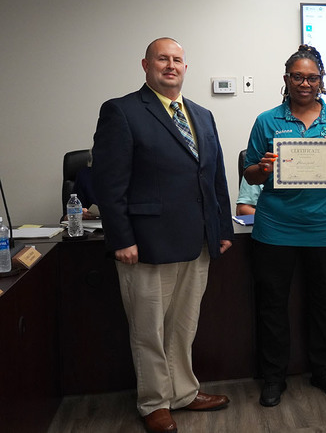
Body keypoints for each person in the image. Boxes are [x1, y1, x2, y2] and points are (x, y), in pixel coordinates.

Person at [92, 37, 234, 433]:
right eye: (162, 59)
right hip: (147, 243)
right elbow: (109, 183)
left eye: (177, 60)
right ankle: (154, 401)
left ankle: (184, 392)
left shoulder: (202, 114)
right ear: (145, 65)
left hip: (198, 241)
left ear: (185, 67)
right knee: (149, 328)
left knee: (184, 325)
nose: (170, 65)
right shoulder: (121, 111)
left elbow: (214, 176)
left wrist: (221, 227)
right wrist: (120, 238)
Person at [243, 44, 326, 407]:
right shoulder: (267, 120)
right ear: (286, 80)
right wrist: (263, 167)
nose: (305, 83)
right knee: (272, 305)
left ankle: (323, 370)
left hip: (325, 227)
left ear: (322, 81)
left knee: (324, 303)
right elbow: (250, 173)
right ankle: (274, 377)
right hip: (276, 228)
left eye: (312, 77)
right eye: (298, 77)